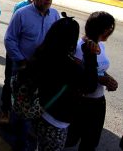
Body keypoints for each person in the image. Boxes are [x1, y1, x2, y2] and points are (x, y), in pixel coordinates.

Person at [21, 13, 98, 151]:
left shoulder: (41, 54)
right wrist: (90, 55)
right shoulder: (69, 66)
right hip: (56, 123)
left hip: (38, 113)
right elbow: (90, 86)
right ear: (71, 40)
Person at [4, 0, 60, 151]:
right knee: (21, 112)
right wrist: (22, 61)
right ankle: (18, 143)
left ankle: (31, 136)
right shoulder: (22, 14)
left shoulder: (55, 15)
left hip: (43, 74)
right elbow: (9, 39)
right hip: (23, 72)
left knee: (38, 109)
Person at [66, 11, 118, 150]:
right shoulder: (78, 48)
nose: (110, 30)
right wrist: (102, 79)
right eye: (109, 27)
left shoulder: (100, 45)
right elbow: (78, 78)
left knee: (90, 143)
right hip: (81, 103)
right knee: (70, 140)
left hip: (99, 103)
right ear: (101, 28)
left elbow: (99, 68)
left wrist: (108, 78)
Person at [0, 0, 35, 124]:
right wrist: (18, 58)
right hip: (16, 55)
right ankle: (5, 110)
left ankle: (27, 115)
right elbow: (11, 35)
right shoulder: (20, 8)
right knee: (10, 82)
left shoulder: (52, 13)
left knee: (31, 87)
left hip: (34, 60)